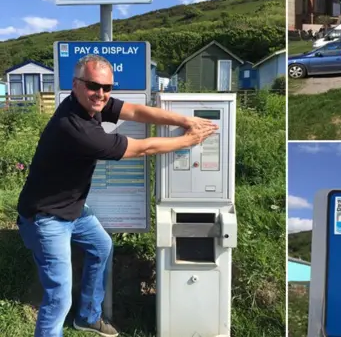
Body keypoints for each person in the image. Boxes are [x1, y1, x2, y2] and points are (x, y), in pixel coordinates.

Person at [15, 54, 217, 337]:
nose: (101, 94)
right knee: (59, 297)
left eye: (107, 88)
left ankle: (87, 316)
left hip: (72, 209)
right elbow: (142, 148)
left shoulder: (88, 104)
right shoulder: (74, 127)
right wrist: (189, 140)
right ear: (76, 84)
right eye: (94, 86)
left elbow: (135, 111)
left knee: (101, 247)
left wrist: (185, 120)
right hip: (45, 218)